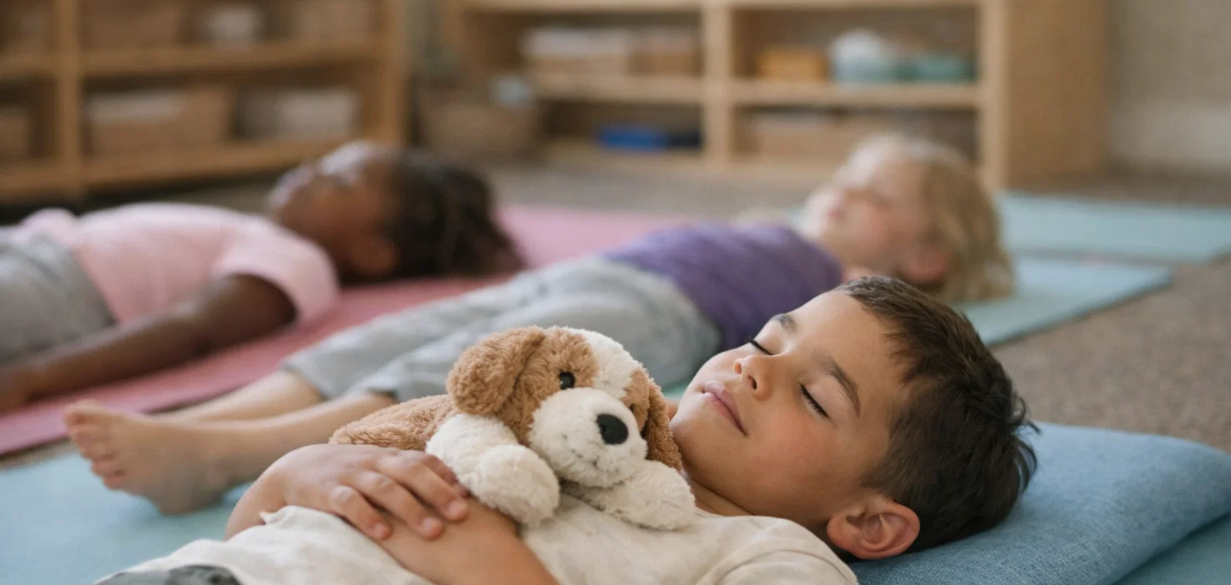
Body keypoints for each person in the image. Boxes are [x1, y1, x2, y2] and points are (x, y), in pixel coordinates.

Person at [66, 134, 1013, 515]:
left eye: (877, 196)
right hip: (591, 270)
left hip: (651, 308)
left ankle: (228, 454)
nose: (844, 193)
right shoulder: (778, 242)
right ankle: (204, 419)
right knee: (391, 337)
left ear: (926, 256)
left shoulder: (858, 296)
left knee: (465, 369)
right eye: (846, 176)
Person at [98, 278, 1036, 585]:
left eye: (816, 398)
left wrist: (484, 561)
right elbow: (254, 536)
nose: (753, 368)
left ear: (869, 522)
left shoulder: (768, 552)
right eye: (763, 341)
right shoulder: (575, 426)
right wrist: (299, 472)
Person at [0, 141, 520, 412]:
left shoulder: (296, 260)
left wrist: (34, 377)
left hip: (59, 287)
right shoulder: (265, 232)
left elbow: (192, 329)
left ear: (372, 254)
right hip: (34, 253)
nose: (311, 168)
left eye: (337, 180)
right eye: (325, 161)